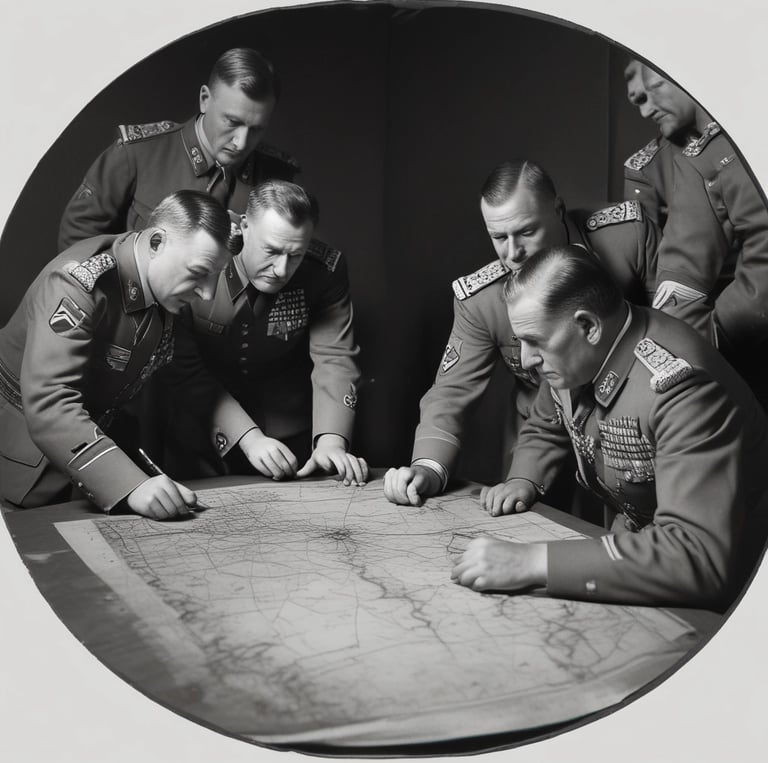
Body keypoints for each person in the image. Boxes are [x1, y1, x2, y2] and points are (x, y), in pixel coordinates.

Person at [452, 245, 768, 608]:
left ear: (588, 326)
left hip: (734, 589)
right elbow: (547, 423)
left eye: (535, 341)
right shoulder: (573, 353)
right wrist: (523, 478)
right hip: (634, 548)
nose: (525, 360)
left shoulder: (680, 389)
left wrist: (530, 562)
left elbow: (695, 557)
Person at [383, 159, 659, 508]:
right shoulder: (482, 300)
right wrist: (426, 468)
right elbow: (451, 393)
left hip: (634, 424)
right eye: (499, 237)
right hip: (539, 431)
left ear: (558, 210)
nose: (513, 253)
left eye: (527, 231)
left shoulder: (626, 239)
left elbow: (672, 332)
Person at [0, 190, 257, 519]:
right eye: (198, 273)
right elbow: (51, 402)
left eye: (215, 277)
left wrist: (249, 438)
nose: (206, 293)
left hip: (92, 461)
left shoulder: (164, 286)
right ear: (156, 243)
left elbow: (185, 374)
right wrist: (131, 485)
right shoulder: (78, 285)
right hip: (24, 470)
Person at [170, 179, 368, 486]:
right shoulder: (202, 256)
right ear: (245, 226)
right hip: (195, 429)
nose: (281, 269)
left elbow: (336, 356)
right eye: (271, 251)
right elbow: (184, 368)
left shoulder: (324, 270)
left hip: (289, 432)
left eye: (296, 255)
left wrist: (331, 441)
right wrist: (247, 437)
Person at [58, 47, 297, 249]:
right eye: (232, 122)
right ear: (205, 99)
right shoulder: (138, 153)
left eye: (256, 129)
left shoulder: (278, 177)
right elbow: (77, 242)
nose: (242, 142)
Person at [636, 65, 768, 365]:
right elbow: (681, 284)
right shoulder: (702, 161)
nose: (647, 109)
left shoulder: (715, 154)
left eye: (657, 85)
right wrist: (724, 331)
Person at [622, 58, 678, 229]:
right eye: (640, 100)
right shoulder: (643, 169)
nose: (645, 112)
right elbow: (647, 248)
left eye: (656, 89)